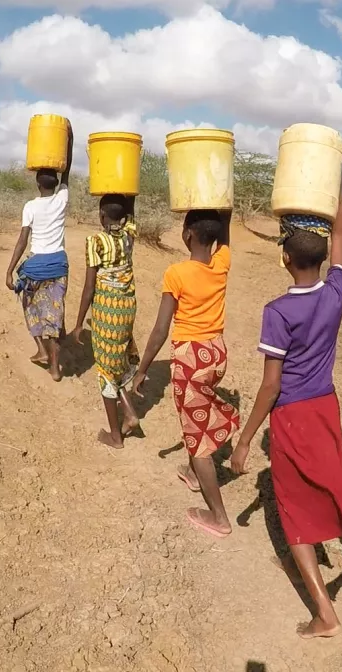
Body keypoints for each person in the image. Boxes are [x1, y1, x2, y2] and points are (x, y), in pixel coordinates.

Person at [230, 183, 342, 640]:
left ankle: (324, 613)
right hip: (326, 407)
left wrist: (245, 440)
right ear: (323, 258)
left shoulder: (279, 311)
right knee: (321, 481)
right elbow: (341, 234)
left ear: (285, 258)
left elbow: (270, 385)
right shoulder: (337, 291)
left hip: (293, 413)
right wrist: (335, 183)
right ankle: (297, 558)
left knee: (292, 507)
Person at [132, 209, 240, 537]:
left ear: (188, 233)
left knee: (197, 442)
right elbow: (225, 235)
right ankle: (194, 476)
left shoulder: (176, 273)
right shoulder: (221, 262)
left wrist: (142, 369)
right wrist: (224, 212)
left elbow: (161, 328)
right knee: (195, 417)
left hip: (191, 359)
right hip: (216, 355)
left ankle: (219, 517)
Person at [5, 124, 74, 382]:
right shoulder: (62, 199)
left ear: (37, 183)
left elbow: (23, 239)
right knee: (54, 319)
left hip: (35, 268)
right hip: (58, 267)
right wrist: (69, 140)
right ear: (56, 184)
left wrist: (10, 269)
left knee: (30, 307)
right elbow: (66, 172)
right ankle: (55, 368)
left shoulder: (30, 207)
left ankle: (40, 350)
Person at [72, 195, 141, 449]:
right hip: (127, 309)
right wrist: (126, 190)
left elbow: (90, 287)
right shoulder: (129, 235)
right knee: (117, 360)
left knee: (104, 369)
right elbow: (131, 213)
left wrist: (79, 323)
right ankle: (131, 414)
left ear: (101, 215)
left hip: (106, 311)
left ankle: (115, 435)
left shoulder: (95, 242)